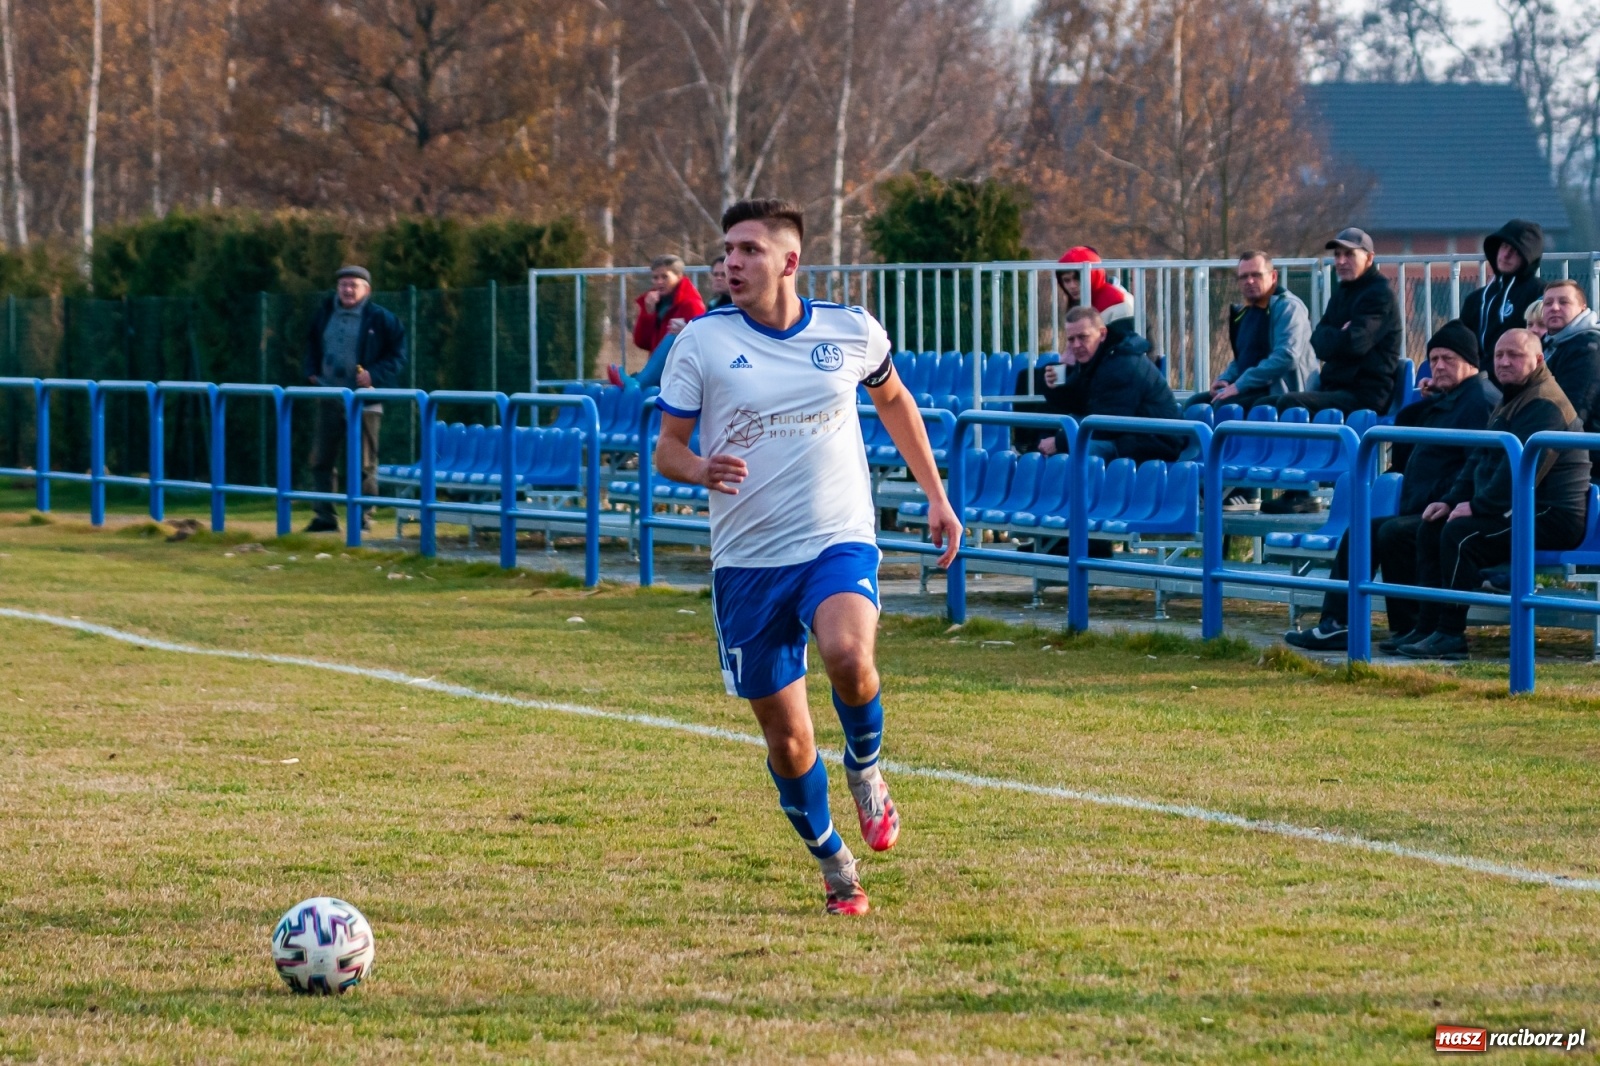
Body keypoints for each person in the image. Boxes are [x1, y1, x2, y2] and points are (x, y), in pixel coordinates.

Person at [654, 198, 961, 916]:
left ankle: (866, 768)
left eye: (750, 249)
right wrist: (699, 469)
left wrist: (937, 498)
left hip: (835, 537)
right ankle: (835, 865)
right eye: (727, 249)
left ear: (789, 261)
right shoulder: (699, 342)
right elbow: (668, 448)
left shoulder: (850, 331)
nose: (732, 261)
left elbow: (895, 404)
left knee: (850, 657)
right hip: (747, 563)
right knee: (790, 741)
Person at [1283, 321, 1499, 652]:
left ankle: (1406, 626)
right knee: (1366, 531)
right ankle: (1343, 624)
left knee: (1391, 532)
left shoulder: (1478, 400)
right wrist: (1431, 399)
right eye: (1434, 358)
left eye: (1449, 359)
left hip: (1451, 510)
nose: (1439, 366)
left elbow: (1476, 466)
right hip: (1427, 505)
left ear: (1471, 362)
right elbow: (1412, 425)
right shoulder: (1455, 397)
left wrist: (1448, 500)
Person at [1395, 329, 1589, 660]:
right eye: (1499, 355)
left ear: (1538, 360)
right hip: (1520, 506)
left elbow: (1519, 472)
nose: (1504, 362)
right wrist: (1452, 501)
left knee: (1460, 535)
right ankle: (1427, 626)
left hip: (1551, 513)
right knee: (1432, 525)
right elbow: (1479, 458)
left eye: (1514, 355)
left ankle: (1450, 635)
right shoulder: (1512, 396)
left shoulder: (1545, 403)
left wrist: (1478, 507)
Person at [1265, 227, 1402, 515]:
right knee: (1262, 403)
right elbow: (1317, 341)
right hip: (1337, 388)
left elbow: (1356, 342)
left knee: (1290, 402)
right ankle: (1247, 485)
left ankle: (1301, 491)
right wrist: (1337, 336)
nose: (1341, 261)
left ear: (1370, 257)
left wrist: (1336, 337)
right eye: (1337, 255)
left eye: (1349, 254)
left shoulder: (1379, 294)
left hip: (1365, 394)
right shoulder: (1343, 292)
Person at [303, 265, 407, 534]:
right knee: (321, 460)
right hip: (329, 396)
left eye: (354, 285)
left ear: (367, 290)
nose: (347, 290)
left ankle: (362, 518)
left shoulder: (382, 319)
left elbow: (398, 356)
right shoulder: (324, 313)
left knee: (363, 463)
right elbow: (310, 346)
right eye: (343, 285)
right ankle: (325, 517)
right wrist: (311, 373)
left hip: (364, 401)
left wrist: (375, 375)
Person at [1034, 306, 1182, 462]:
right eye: (1071, 339)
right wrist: (1059, 381)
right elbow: (1079, 404)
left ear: (1102, 334)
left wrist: (1059, 442)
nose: (1076, 345)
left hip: (1155, 442)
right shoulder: (1096, 358)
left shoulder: (1121, 363)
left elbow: (1108, 423)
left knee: (1078, 452)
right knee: (1057, 433)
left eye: (1083, 337)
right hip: (1130, 435)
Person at [606, 255, 710, 389]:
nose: (659, 282)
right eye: (655, 278)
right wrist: (648, 313)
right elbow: (642, 342)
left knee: (674, 335)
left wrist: (685, 330)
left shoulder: (690, 303)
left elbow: (700, 342)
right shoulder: (654, 302)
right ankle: (639, 381)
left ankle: (638, 383)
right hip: (659, 372)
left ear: (679, 276)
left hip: (681, 371)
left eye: (665, 277)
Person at [1459, 220, 1545, 365]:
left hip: (1516, 374)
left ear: (1528, 257)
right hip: (1475, 377)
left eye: (1516, 251)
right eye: (1504, 247)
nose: (1506, 255)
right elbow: (1460, 343)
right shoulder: (1476, 299)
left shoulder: (1540, 293)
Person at [1539, 278, 1600, 481]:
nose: (1554, 308)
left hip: (1583, 464)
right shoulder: (1547, 344)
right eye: (1548, 303)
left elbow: (1573, 411)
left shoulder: (1589, 349)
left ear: (1583, 308)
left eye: (1564, 302)